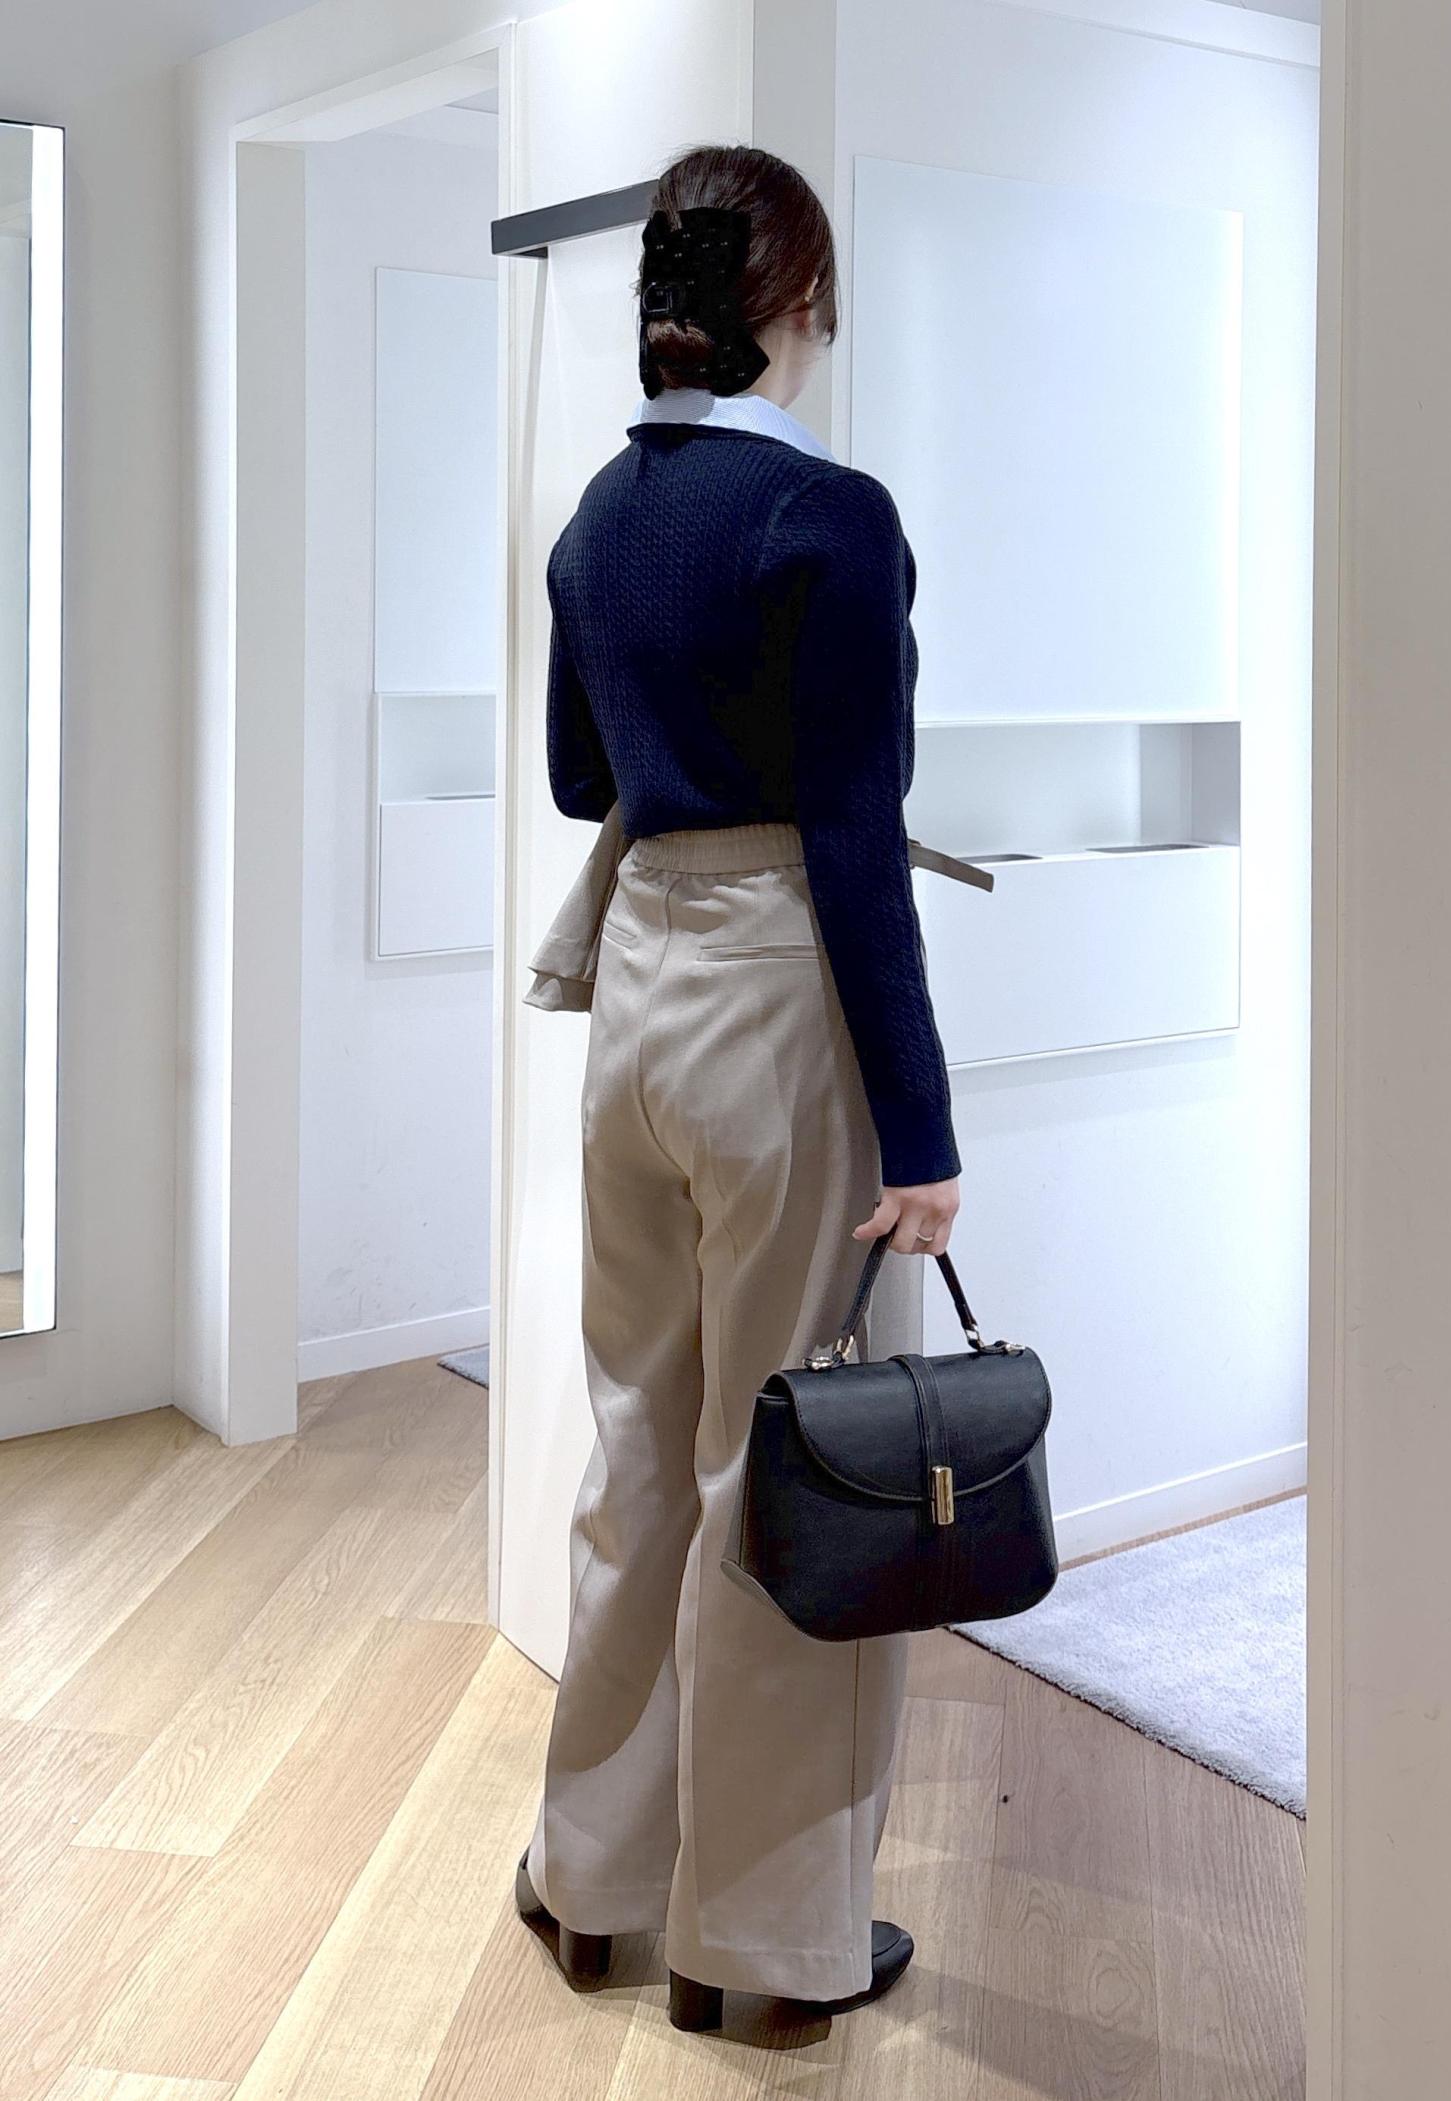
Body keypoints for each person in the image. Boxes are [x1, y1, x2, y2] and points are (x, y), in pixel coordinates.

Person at [515, 142, 961, 2034]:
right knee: (791, 1468)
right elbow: (856, 836)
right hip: (780, 994)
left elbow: (577, 779)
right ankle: (764, 1951)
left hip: (635, 995)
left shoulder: (598, 517)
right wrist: (922, 1134)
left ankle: (593, 1884)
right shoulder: (829, 515)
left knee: (638, 1447)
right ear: (800, 303)